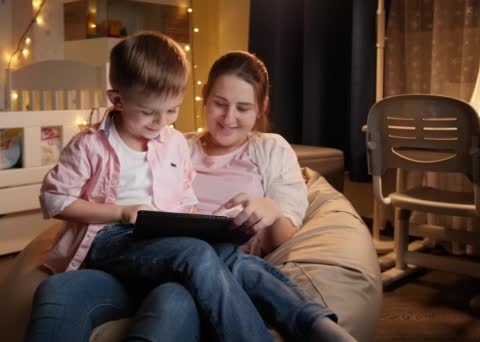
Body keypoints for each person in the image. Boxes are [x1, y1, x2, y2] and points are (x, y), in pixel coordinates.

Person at [26, 40, 355, 341]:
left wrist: (262, 211)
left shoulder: (173, 143)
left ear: (261, 107)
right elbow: (57, 199)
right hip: (127, 245)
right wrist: (124, 213)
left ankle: (314, 322)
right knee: (58, 290)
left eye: (171, 112)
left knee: (204, 260)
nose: (161, 123)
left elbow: (185, 203)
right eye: (219, 104)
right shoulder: (159, 142)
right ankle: (307, 325)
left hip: (179, 260)